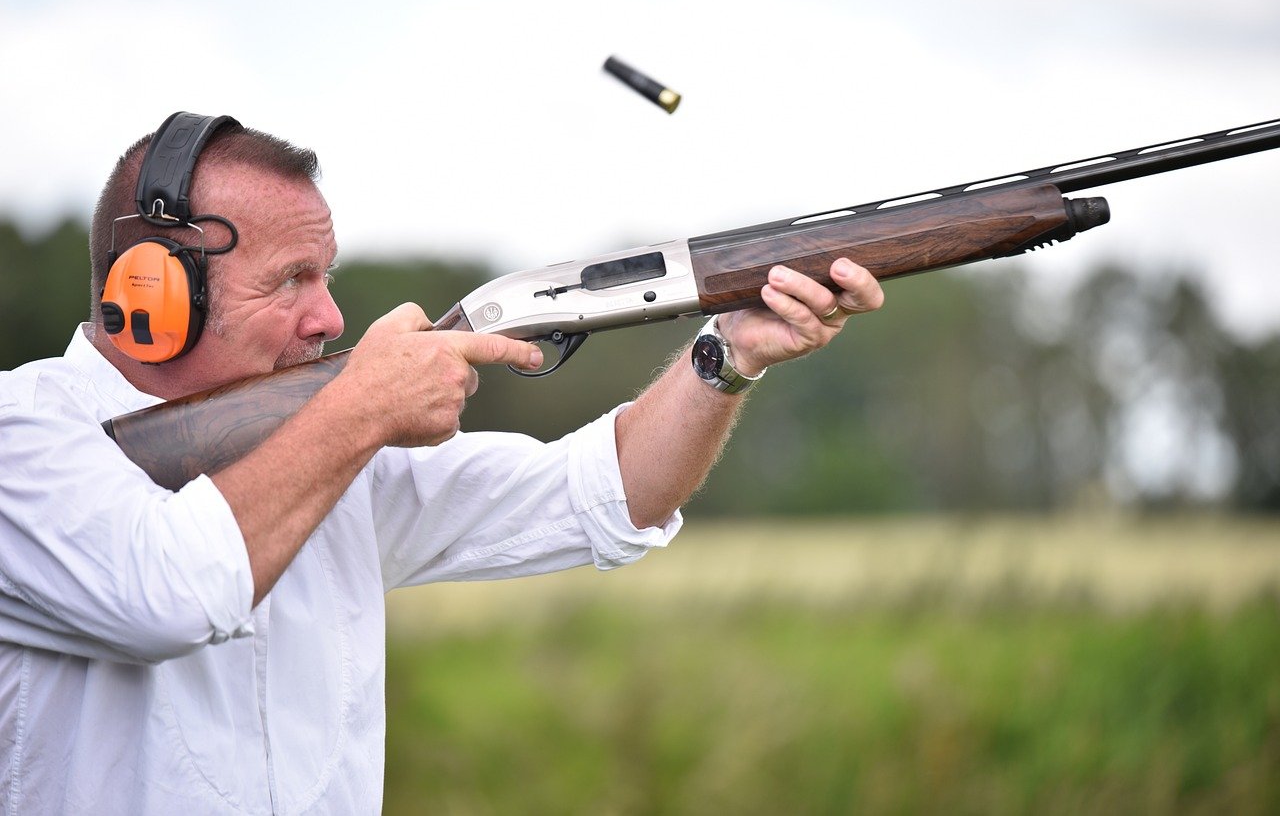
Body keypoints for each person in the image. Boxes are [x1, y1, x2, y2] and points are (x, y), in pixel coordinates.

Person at [0, 114, 883, 814]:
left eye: (328, 275)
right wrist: (363, 407)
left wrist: (727, 353)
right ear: (148, 294)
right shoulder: (23, 438)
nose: (330, 318)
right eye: (290, 281)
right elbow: (169, 595)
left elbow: (607, 494)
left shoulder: (327, 445)